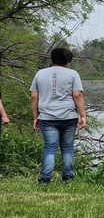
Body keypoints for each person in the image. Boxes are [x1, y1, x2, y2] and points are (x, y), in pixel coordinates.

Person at [30, 47, 87, 183]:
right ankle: (68, 178)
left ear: (52, 58)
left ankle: (45, 179)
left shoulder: (40, 74)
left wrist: (35, 116)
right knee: (67, 147)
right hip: (69, 116)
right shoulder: (73, 74)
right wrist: (83, 115)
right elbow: (77, 95)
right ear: (68, 60)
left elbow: (33, 96)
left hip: (47, 117)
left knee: (50, 147)